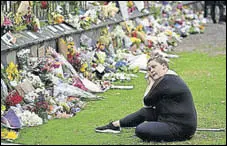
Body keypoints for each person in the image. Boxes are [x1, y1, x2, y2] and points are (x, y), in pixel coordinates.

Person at [95, 55, 197, 142]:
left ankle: (117, 126)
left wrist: (150, 84)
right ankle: (115, 125)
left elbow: (147, 102)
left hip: (181, 128)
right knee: (145, 112)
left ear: (164, 67)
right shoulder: (170, 78)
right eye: (149, 69)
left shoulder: (166, 80)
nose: (151, 71)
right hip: (172, 118)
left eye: (154, 67)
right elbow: (148, 107)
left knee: (141, 130)